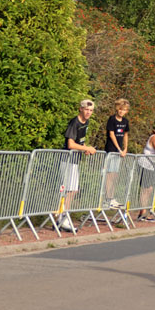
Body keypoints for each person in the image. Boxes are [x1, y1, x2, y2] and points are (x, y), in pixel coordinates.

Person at [61, 99, 97, 231]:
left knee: (73, 190)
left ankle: (64, 216)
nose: (88, 112)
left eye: (91, 110)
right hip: (67, 160)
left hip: (75, 160)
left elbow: (79, 143)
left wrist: (85, 149)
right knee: (68, 190)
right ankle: (62, 218)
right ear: (80, 109)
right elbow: (70, 144)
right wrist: (86, 148)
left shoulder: (86, 122)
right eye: (86, 109)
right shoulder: (74, 122)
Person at [104, 98, 130, 208]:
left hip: (119, 153)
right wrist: (119, 149)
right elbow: (111, 134)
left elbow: (125, 135)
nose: (121, 111)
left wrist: (125, 148)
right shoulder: (112, 119)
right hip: (112, 150)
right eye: (120, 109)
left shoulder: (125, 122)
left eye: (124, 110)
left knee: (115, 175)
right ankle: (107, 198)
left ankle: (112, 197)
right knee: (109, 175)